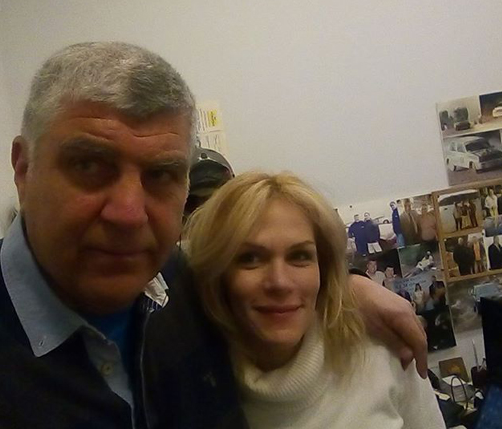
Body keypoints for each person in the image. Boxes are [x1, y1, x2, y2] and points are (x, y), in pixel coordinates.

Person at [0, 42, 428, 428]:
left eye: (162, 175)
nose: (128, 214)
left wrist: (348, 285)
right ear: (23, 170)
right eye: (89, 165)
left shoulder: (184, 287)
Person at [181, 172, 444, 429]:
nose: (280, 282)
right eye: (250, 258)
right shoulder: (193, 389)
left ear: (323, 268)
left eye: (299, 256)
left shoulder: (383, 349)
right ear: (219, 273)